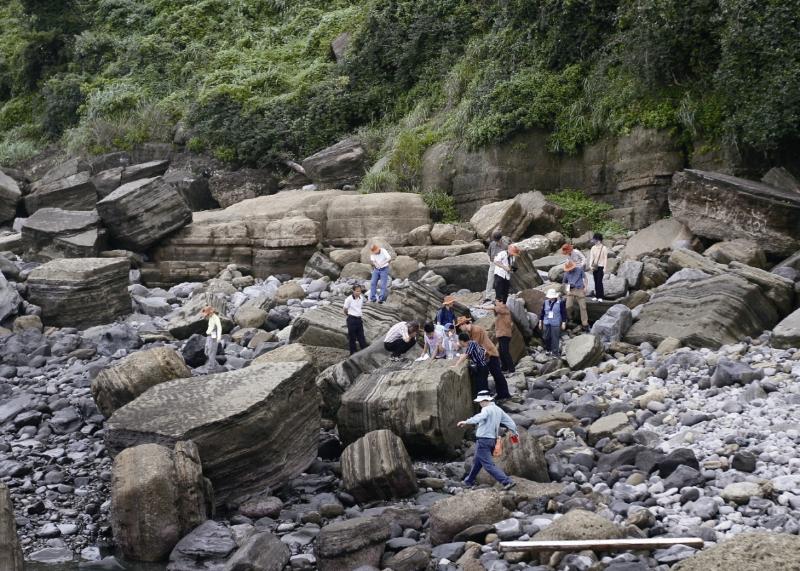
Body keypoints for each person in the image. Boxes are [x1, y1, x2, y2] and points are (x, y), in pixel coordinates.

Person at [457, 391, 518, 490]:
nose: (479, 403)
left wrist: (466, 422)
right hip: (492, 441)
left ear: (485, 400)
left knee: (488, 465)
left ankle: (507, 481)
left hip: (483, 441)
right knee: (477, 462)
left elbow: (480, 417)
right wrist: (515, 433)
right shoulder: (498, 410)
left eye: (480, 401)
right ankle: (468, 481)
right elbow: (510, 422)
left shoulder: (486, 409)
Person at [455, 316, 511, 400]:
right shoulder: (471, 331)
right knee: (493, 375)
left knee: (497, 375)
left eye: (460, 326)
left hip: (491, 354)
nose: (460, 328)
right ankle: (500, 394)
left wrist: (461, 358)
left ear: (464, 324)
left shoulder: (476, 330)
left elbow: (473, 346)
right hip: (486, 355)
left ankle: (504, 394)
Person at [482, 299, 515, 373]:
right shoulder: (500, 311)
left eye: (496, 301)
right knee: (501, 351)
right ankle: (504, 367)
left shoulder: (504, 308)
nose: (495, 302)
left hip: (505, 334)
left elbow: (494, 308)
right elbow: (495, 310)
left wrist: (481, 307)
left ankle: (511, 369)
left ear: (501, 302)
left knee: (505, 352)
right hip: (500, 334)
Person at [539, 288, 567, 355]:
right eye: (549, 297)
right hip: (546, 322)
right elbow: (542, 313)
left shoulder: (560, 303)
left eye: (552, 297)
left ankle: (555, 352)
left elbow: (564, 313)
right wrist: (540, 322)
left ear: (555, 296)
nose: (550, 298)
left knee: (555, 338)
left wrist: (563, 322)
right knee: (546, 336)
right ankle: (548, 349)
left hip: (556, 322)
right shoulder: (545, 302)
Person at [563, 260, 589, 331]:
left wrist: (586, 287)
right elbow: (565, 283)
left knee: (583, 307)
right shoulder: (566, 273)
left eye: (570, 268)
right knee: (568, 306)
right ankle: (570, 319)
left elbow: (585, 278)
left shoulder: (579, 270)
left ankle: (585, 324)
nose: (570, 270)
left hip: (580, 289)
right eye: (568, 269)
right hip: (571, 290)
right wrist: (567, 291)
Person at [485, 231, 509, 301]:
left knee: (499, 281)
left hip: (500, 265)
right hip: (493, 264)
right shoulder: (492, 244)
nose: (496, 242)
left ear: (501, 238)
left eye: (497, 240)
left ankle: (499, 297)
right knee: (490, 280)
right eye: (495, 240)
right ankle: (487, 297)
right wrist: (490, 261)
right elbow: (488, 253)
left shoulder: (505, 246)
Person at [343, 284, 367, 355]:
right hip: (351, 319)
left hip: (359, 319)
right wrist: (349, 315)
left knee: (361, 337)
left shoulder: (361, 298)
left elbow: (359, 307)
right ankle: (353, 353)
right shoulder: (348, 299)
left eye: (359, 291)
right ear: (353, 291)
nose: (358, 293)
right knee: (352, 338)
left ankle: (365, 352)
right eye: (357, 291)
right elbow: (345, 309)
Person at [588, 233, 608, 301]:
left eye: (596, 240)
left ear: (599, 240)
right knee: (596, 281)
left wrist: (605, 268)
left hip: (601, 267)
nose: (595, 241)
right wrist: (590, 265)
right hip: (595, 267)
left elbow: (605, 259)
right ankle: (596, 296)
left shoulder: (604, 248)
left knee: (599, 281)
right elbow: (591, 257)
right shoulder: (593, 248)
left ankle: (600, 296)